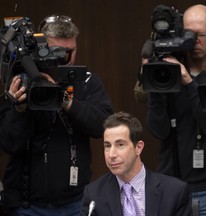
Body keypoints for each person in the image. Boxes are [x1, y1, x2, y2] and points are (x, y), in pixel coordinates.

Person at [0, 15, 113, 215]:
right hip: (26, 205)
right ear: (41, 48)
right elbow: (9, 144)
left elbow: (102, 126)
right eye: (57, 52)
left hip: (75, 202)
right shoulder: (20, 81)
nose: (65, 59)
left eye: (71, 52)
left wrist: (65, 99)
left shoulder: (86, 82)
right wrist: (19, 109)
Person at [146, 4, 206, 215]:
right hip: (171, 188)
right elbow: (158, 131)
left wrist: (188, 82)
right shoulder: (167, 71)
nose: (194, 40)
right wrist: (154, 80)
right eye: (188, 34)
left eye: (201, 35)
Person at [80, 111, 192, 216]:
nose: (111, 154)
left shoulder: (175, 192)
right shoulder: (93, 195)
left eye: (120, 145)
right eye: (107, 146)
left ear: (138, 148)